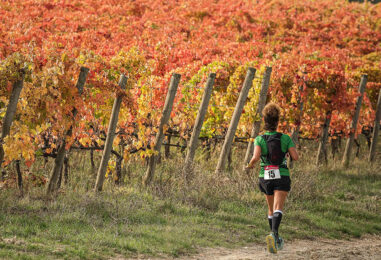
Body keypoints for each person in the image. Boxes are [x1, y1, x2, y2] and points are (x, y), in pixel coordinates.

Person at [246, 102, 299, 254]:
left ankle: (274, 238)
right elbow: (295, 157)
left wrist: (249, 166)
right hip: (281, 175)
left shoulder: (259, 139)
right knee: (278, 208)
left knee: (270, 209)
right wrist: (288, 153)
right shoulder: (285, 138)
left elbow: (255, 157)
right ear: (278, 121)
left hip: (265, 176)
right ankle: (274, 235)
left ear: (264, 120)